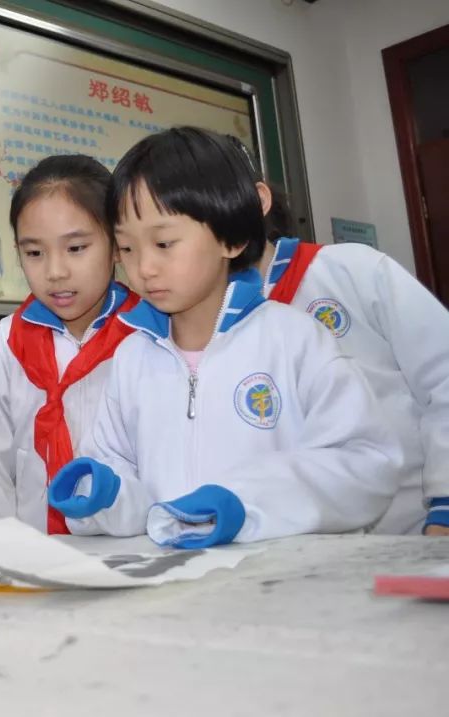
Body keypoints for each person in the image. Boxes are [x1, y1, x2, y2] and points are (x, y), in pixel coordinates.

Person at [47, 126, 402, 548]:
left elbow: (365, 464)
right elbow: (125, 477)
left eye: (163, 243)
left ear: (231, 238)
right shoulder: (132, 357)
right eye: (126, 248)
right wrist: (104, 494)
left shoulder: (294, 339)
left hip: (283, 590)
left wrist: (243, 504)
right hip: (172, 591)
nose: (143, 268)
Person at [255, 182, 449, 536]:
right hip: (299, 559)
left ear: (257, 200)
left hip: (417, 531)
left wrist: (445, 506)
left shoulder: (350, 270)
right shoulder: (205, 322)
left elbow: (443, 375)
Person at [0, 155, 138, 533]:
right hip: (34, 561)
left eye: (76, 248)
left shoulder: (146, 337)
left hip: (137, 551)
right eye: (34, 253)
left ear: (117, 245)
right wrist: (9, 560)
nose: (55, 272)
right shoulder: (7, 344)